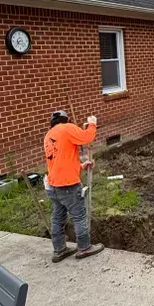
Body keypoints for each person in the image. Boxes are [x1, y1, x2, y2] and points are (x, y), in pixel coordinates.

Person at [44, 110, 104, 262]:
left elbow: (61, 160)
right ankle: (84, 248)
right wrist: (92, 124)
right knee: (78, 216)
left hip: (53, 185)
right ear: (66, 120)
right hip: (68, 185)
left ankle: (59, 250)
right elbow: (86, 137)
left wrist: (81, 165)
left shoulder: (49, 135)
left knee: (57, 218)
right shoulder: (67, 128)